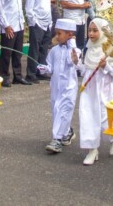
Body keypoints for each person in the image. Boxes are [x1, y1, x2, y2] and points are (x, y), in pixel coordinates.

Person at [77, 18, 113, 165]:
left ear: (103, 32)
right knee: (87, 117)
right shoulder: (89, 49)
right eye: (89, 30)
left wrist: (105, 66)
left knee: (104, 118)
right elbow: (86, 69)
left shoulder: (110, 50)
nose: (91, 33)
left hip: (104, 90)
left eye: (95, 30)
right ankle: (92, 150)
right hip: (89, 90)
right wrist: (76, 63)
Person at [39, 19, 80, 154]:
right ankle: (67, 132)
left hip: (69, 87)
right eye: (56, 33)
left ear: (69, 34)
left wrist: (74, 54)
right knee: (56, 110)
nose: (57, 36)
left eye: (60, 33)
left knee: (63, 110)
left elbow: (73, 62)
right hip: (56, 87)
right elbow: (50, 67)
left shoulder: (75, 50)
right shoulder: (54, 51)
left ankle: (56, 140)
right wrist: (45, 69)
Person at [25, 0, 54, 84]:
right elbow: (29, 8)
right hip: (37, 23)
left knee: (43, 49)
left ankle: (40, 71)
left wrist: (50, 22)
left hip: (47, 23)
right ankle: (31, 73)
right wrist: (34, 23)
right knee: (34, 49)